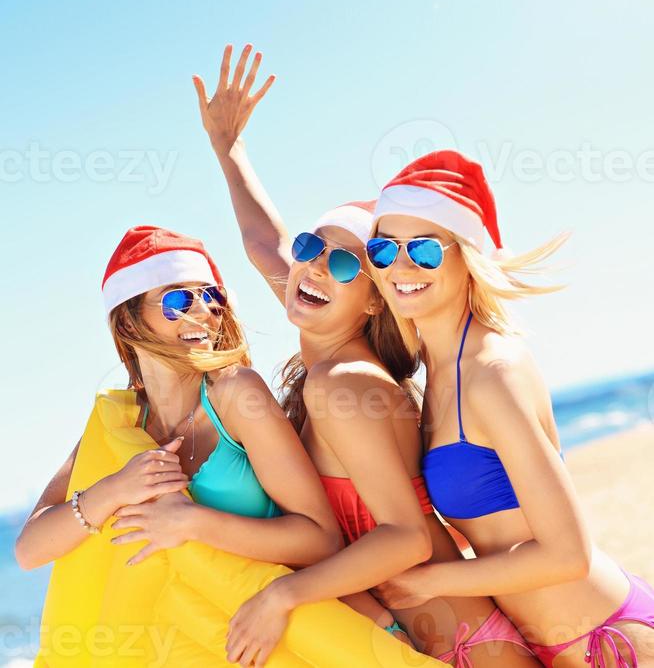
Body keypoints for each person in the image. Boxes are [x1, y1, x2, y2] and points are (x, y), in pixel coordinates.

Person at [192, 44, 540, 667]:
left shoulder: (345, 382)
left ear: (376, 301)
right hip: (415, 637)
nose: (315, 266)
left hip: (459, 648)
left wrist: (283, 596)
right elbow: (262, 241)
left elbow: (406, 538)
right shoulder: (326, 325)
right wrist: (229, 148)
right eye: (310, 246)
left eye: (346, 262)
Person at [365, 149, 654, 668]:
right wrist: (231, 155)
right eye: (383, 249)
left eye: (425, 250)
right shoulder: (437, 371)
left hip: (605, 640)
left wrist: (428, 581)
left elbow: (568, 553)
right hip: (545, 641)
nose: (401, 265)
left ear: (467, 255)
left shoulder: (492, 373)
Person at [15, 225, 342, 575]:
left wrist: (193, 522)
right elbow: (29, 551)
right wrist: (114, 490)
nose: (202, 311)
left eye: (211, 297)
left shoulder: (236, 394)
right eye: (177, 300)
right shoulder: (121, 423)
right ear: (128, 322)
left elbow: (322, 540)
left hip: (276, 619)